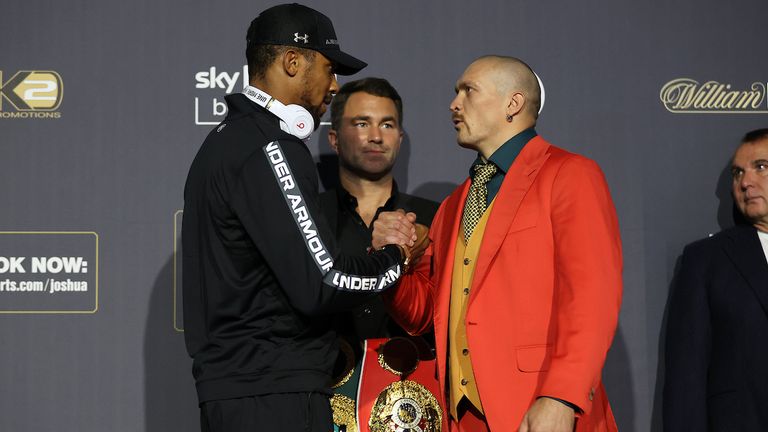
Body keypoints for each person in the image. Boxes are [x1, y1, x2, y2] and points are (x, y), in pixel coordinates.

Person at [181, 4, 422, 431]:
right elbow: (324, 282)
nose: (333, 86)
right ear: (292, 62)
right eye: (329, 69)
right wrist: (394, 256)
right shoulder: (270, 146)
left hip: (244, 391)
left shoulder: (226, 141)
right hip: (273, 394)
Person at [375, 55, 623, 431]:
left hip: (539, 406)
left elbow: (592, 297)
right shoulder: (453, 206)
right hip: (462, 416)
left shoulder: (570, 175)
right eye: (456, 93)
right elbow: (425, 312)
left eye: (468, 91)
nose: (454, 104)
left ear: (513, 103)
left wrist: (561, 397)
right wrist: (389, 258)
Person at [663, 129, 768, 431]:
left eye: (761, 166)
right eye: (738, 173)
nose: (745, 182)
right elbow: (686, 380)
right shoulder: (706, 260)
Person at [320, 77, 439, 341]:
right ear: (334, 138)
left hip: (413, 380)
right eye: (362, 123)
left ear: (399, 139)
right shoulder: (307, 217)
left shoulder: (437, 218)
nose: (375, 136)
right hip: (323, 378)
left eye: (387, 124)